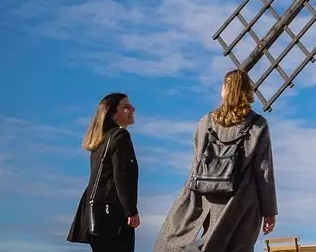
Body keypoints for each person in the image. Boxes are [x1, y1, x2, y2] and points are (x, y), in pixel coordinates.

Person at [154, 70, 278, 252]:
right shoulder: (258, 125)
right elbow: (264, 171)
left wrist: (187, 200)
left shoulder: (206, 121)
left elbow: (197, 163)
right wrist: (269, 211)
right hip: (241, 200)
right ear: (247, 91)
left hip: (206, 196)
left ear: (226, 90)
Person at [68, 93, 141, 251]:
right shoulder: (120, 136)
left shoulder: (100, 142)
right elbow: (122, 177)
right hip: (113, 215)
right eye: (126, 106)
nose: (133, 109)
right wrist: (131, 211)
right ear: (113, 114)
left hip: (94, 214)